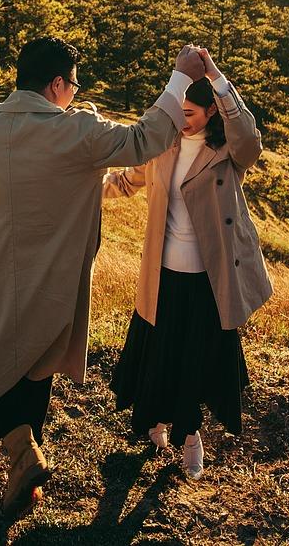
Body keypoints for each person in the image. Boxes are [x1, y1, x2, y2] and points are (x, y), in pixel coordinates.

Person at [0, 37, 207, 516]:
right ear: (55, 85)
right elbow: (144, 140)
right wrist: (180, 76)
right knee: (35, 365)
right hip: (49, 278)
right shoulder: (78, 134)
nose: (75, 92)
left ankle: (23, 461)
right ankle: (25, 458)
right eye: (73, 84)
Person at [103, 48, 273, 479]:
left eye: (191, 112)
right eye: (177, 111)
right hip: (161, 274)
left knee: (194, 360)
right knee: (161, 355)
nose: (182, 118)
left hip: (208, 279)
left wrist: (217, 77)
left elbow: (250, 142)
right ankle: (158, 421)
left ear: (212, 110)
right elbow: (128, 181)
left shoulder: (228, 153)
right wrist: (83, 187)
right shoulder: (165, 145)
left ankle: (191, 436)